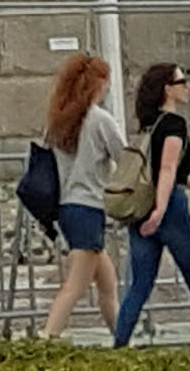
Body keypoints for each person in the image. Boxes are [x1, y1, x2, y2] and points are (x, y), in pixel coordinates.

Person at [107, 58, 190, 351]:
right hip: (169, 209)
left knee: (138, 286)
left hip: (142, 206)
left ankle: (119, 345)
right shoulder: (175, 125)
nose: (187, 86)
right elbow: (167, 169)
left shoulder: (149, 125)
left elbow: (163, 171)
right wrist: (161, 210)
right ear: (167, 89)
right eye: (180, 82)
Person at [31, 51, 123, 341]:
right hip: (89, 206)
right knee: (74, 286)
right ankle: (48, 335)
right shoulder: (99, 120)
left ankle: (122, 337)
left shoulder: (59, 122)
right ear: (98, 85)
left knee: (108, 285)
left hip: (67, 206)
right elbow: (125, 157)